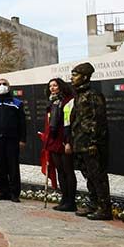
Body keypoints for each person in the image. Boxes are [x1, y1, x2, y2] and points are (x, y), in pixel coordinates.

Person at [69, 62, 111, 220]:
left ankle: (105, 208)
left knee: (98, 175)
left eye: (75, 75)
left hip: (91, 144)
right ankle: (94, 204)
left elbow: (97, 120)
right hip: (81, 142)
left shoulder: (92, 95)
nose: (72, 78)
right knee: (89, 175)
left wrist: (94, 142)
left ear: (85, 77)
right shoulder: (79, 95)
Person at [0, 77, 26, 203]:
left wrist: (22, 139)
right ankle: (3, 191)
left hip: (12, 138)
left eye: (4, 84)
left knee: (13, 166)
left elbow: (22, 123)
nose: (2, 86)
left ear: (9, 86)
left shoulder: (17, 103)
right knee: (1, 166)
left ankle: (14, 193)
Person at [44, 78, 76, 212]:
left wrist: (68, 141)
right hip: (54, 140)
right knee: (60, 171)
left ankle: (71, 201)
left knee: (68, 171)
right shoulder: (52, 102)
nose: (52, 88)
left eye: (55, 85)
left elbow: (69, 122)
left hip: (64, 139)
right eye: (50, 86)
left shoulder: (68, 101)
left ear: (61, 86)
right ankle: (64, 199)